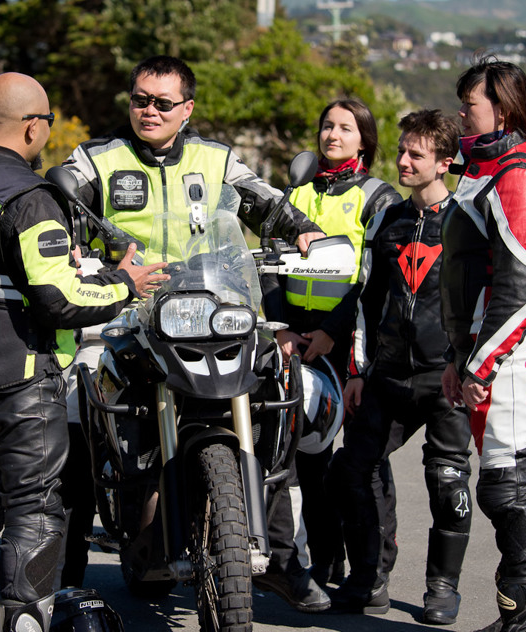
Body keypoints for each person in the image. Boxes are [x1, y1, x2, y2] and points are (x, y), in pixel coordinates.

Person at [58, 54, 328, 612]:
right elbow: (55, 204)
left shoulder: (216, 160)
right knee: (77, 419)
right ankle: (64, 576)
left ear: (187, 108)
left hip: (214, 310)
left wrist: (305, 232)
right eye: (139, 99)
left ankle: (281, 558)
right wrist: (73, 251)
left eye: (162, 103)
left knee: (272, 397)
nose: (148, 111)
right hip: (130, 318)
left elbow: (266, 204)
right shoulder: (96, 161)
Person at [0, 72, 168, 632]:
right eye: (46, 123)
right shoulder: (27, 194)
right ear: (32, 125)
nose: (46, 133)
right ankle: (24, 623)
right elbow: (59, 300)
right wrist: (128, 286)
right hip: (24, 378)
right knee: (36, 512)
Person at [327, 109, 473, 624]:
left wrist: (472, 367)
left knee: (448, 478)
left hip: (446, 378)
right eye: (402, 150)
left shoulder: (469, 219)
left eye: (417, 153)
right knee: (352, 467)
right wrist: (357, 372)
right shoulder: (387, 219)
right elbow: (367, 299)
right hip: (387, 374)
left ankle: (441, 586)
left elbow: (483, 301)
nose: (404, 161)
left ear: (445, 162)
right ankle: (369, 576)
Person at [441, 57, 526, 632]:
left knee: (509, 488)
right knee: (501, 486)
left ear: (504, 108)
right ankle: (517, 617)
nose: (462, 113)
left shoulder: (518, 170)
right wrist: (456, 357)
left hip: (514, 351)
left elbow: (519, 282)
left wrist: (481, 363)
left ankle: (525, 621)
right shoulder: (485, 165)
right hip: (486, 350)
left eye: (471, 104)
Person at [263, 98, 402, 592]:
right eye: (326, 126)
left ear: (364, 138)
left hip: (351, 339)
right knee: (308, 455)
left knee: (363, 460)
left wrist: (333, 334)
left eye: (345, 128)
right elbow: (268, 265)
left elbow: (372, 280)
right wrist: (279, 328)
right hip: (295, 338)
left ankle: (374, 570)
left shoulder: (376, 196)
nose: (332, 135)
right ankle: (324, 563)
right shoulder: (295, 192)